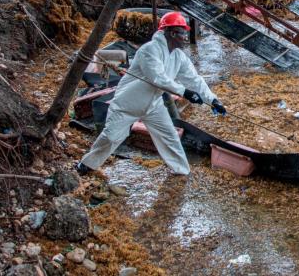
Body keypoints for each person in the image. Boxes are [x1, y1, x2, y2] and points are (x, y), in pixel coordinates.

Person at [77, 11, 226, 176]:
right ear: (171, 33)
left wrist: (213, 100)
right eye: (182, 33)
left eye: (185, 32)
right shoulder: (149, 50)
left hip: (153, 105)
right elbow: (157, 78)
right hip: (127, 104)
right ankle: (86, 164)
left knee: (170, 138)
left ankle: (182, 172)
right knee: (111, 137)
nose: (185, 37)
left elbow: (195, 80)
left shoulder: (179, 57)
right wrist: (185, 92)